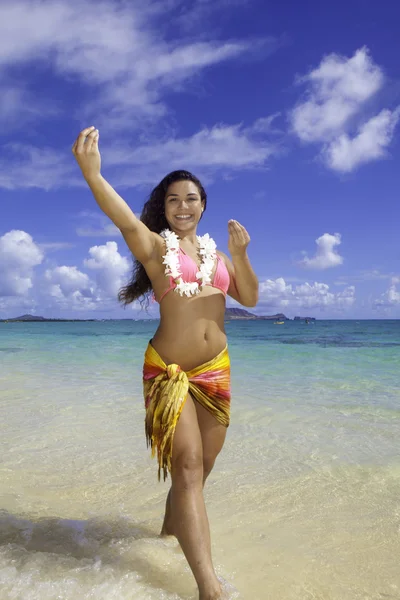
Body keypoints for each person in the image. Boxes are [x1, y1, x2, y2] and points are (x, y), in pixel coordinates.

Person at [72, 126, 259, 600]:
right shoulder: (158, 249)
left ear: (202, 205)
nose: (182, 206)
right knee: (190, 468)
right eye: (173, 199)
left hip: (215, 370)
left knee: (201, 467)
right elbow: (124, 222)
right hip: (169, 372)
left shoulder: (218, 254)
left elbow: (252, 297)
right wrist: (94, 175)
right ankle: (209, 588)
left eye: (191, 198)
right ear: (165, 206)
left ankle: (167, 534)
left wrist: (240, 255)